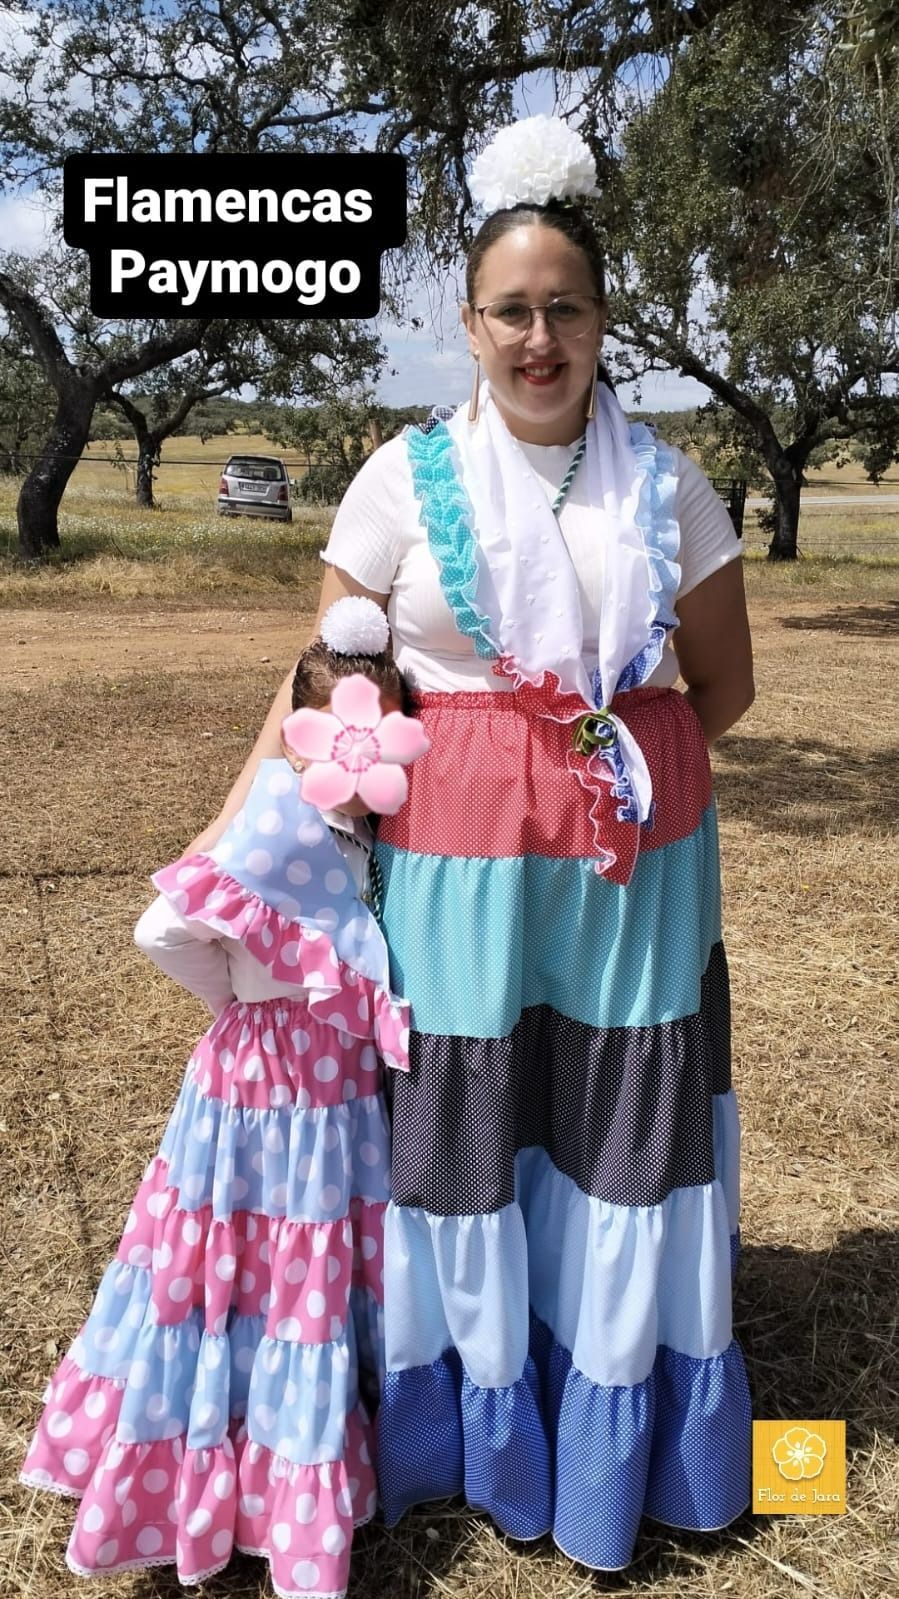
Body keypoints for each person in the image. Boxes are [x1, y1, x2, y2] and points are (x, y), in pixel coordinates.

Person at [186, 116, 756, 1573]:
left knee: (615, 1119)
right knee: (460, 1113)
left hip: (625, 865)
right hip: (448, 860)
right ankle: (466, 1435)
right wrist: (231, 828)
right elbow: (327, 675)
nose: (538, 336)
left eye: (565, 306)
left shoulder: (667, 487)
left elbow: (722, 686)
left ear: (603, 316)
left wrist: (600, 750)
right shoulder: (397, 477)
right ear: (468, 322)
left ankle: (620, 1429)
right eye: (510, 309)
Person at [20, 601, 421, 1599]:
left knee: (282, 1260)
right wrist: (242, 1003)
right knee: (263, 1262)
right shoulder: (279, 826)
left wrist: (239, 1006)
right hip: (275, 1082)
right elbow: (162, 928)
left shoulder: (361, 838)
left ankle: (305, 1436)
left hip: (309, 1090)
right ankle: (244, 1463)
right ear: (308, 740)